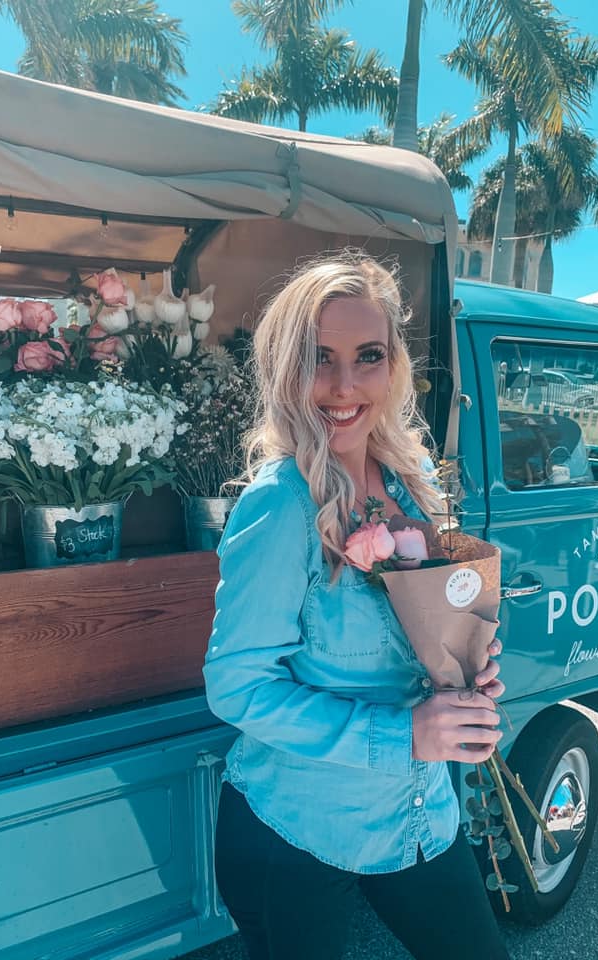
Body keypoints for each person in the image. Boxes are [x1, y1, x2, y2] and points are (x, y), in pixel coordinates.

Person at [203, 253, 509, 960]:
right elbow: (236, 685)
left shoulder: (413, 479)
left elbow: (433, 617)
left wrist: (470, 665)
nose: (344, 386)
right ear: (285, 367)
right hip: (297, 829)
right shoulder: (280, 506)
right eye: (320, 358)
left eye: (367, 356)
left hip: (421, 814)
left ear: (393, 365)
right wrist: (404, 734)